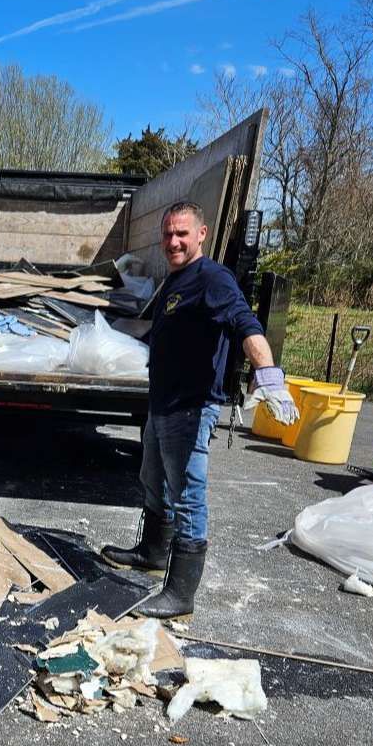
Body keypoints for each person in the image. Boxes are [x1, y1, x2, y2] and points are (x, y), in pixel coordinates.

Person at [101, 201, 298, 618]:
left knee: (188, 496)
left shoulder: (213, 279)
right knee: (153, 481)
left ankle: (180, 594)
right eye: (168, 234)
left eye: (182, 234)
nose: (174, 241)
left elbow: (247, 326)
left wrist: (269, 376)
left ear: (201, 234)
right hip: (162, 405)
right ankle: (153, 553)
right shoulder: (176, 279)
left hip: (191, 408)